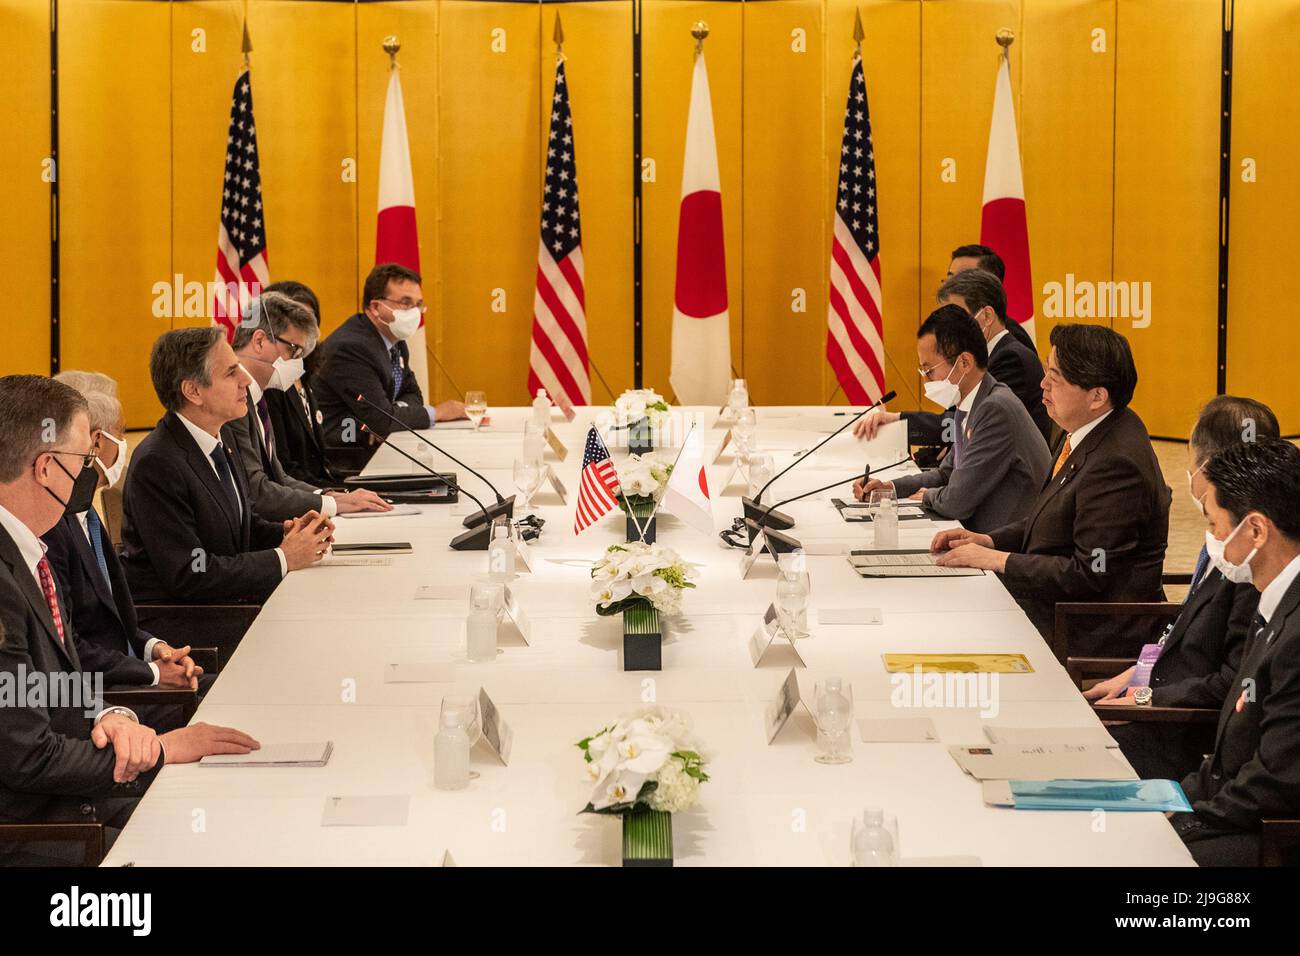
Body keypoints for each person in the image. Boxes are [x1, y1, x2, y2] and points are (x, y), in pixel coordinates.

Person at [0, 375, 257, 863]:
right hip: (30, 823)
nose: (90, 473)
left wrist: (110, 716)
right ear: (46, 468)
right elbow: (27, 756)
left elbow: (48, 683)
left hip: (63, 789)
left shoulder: (26, 548)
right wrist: (159, 749)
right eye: (82, 460)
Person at [931, 323, 1171, 656]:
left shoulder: (1117, 464)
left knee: (951, 625)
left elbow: (1087, 574)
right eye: (1046, 371)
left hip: (1087, 627)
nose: (1042, 384)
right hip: (1053, 602)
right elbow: (1050, 518)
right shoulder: (1087, 429)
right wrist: (989, 540)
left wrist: (997, 559)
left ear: (1097, 396)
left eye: (1055, 378)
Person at [1088, 397, 1277, 781]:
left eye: (1191, 463)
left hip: (1181, 731)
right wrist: (1133, 676)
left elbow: (1230, 682)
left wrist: (1141, 699)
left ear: (1210, 469)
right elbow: (1182, 635)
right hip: (1158, 699)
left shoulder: (1251, 560)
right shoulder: (1223, 539)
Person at [121, 328, 333, 604]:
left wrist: (289, 532)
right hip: (191, 624)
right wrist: (283, 557)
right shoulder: (158, 464)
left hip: (231, 601)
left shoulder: (224, 435)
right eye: (231, 372)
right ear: (193, 391)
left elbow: (240, 529)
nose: (245, 379)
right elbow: (190, 573)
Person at [1169, 437, 1300, 866]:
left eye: (1214, 525)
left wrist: (1188, 821)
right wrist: (1177, 797)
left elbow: (1277, 778)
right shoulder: (1274, 599)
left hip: (1272, 835)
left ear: (1257, 529)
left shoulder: (1295, 631)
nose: (1212, 539)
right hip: (1238, 805)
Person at [42, 372, 203, 692]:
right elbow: (68, 646)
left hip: (131, 670)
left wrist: (155, 648)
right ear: (96, 442)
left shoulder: (86, 510)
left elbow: (115, 620)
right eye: (122, 432)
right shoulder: (52, 524)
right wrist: (152, 674)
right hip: (110, 695)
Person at [853, 305, 1049, 533]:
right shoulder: (971, 403)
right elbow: (946, 473)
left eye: (929, 371)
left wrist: (929, 496)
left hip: (1004, 546)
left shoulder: (995, 409)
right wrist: (889, 489)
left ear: (964, 363)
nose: (926, 382)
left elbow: (957, 501)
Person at [227, 291, 391, 521]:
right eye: (293, 350)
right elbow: (256, 491)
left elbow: (279, 477)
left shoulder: (258, 397)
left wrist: (335, 497)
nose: (298, 362)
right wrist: (332, 505)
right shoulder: (229, 398)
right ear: (259, 340)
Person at [857, 268, 1046, 447]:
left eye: (959, 316)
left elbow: (967, 425)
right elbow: (956, 421)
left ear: (987, 316)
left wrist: (899, 421)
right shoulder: (978, 357)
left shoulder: (1010, 359)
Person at [312, 263, 466, 460]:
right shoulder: (352, 347)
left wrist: (391, 415)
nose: (415, 312)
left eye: (418, 304)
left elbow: (412, 394)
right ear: (376, 307)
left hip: (377, 447)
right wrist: (436, 413)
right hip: (344, 456)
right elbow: (382, 420)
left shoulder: (395, 340)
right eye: (405, 302)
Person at [259, 281, 337, 487]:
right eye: (297, 320)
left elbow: (319, 461)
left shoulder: (304, 374)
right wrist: (332, 496)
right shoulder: (269, 383)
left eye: (310, 320)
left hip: (319, 491)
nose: (305, 330)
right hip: (297, 501)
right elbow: (282, 469)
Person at [945, 243, 1035, 350]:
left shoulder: (1010, 341)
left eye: (962, 280)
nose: (950, 288)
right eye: (950, 279)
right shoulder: (954, 331)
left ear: (989, 285)